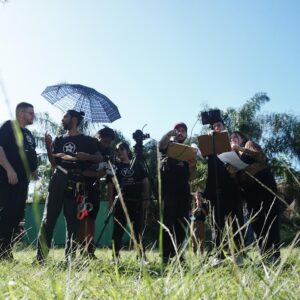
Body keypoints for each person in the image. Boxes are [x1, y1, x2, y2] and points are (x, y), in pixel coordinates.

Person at [36, 110, 101, 263]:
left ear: (74, 119)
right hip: (58, 179)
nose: (62, 119)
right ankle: (40, 258)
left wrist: (87, 157)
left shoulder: (87, 140)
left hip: (77, 182)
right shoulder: (59, 139)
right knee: (48, 219)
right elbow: (53, 164)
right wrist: (48, 146)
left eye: (65, 116)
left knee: (73, 223)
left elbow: (99, 158)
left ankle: (70, 259)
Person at [229, 131, 281, 262]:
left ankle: (275, 256)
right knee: (257, 223)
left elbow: (262, 157)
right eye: (231, 138)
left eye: (236, 136)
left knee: (269, 219)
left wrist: (241, 149)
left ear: (242, 139)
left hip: (264, 186)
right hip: (249, 192)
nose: (234, 138)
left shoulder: (248, 144)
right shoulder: (232, 156)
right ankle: (265, 256)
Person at [0, 102, 38, 261]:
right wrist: (9, 169)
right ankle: (2, 252)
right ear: (21, 113)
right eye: (31, 113)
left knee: (16, 217)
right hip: (8, 178)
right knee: (6, 214)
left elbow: (31, 155)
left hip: (23, 182)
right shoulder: (9, 126)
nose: (33, 116)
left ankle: (6, 252)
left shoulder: (29, 134)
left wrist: (34, 172)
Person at [202, 120, 243, 263]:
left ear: (225, 128)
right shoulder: (210, 144)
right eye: (214, 126)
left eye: (219, 125)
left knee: (235, 223)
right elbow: (203, 153)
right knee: (216, 225)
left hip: (233, 190)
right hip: (215, 192)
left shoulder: (232, 144)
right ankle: (218, 256)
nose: (216, 128)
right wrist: (209, 138)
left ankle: (238, 255)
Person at [159, 122, 197, 264]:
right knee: (168, 222)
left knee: (182, 223)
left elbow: (192, 176)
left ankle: (179, 255)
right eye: (178, 130)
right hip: (169, 190)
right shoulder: (168, 144)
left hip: (184, 191)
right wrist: (169, 134)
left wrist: (192, 165)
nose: (180, 133)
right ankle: (165, 256)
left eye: (183, 131)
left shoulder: (189, 150)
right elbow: (161, 145)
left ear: (186, 134)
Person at [107, 142, 150, 261]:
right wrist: (110, 202)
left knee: (138, 231)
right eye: (117, 150)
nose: (119, 152)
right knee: (118, 230)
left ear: (127, 150)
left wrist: (146, 198)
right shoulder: (115, 166)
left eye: (121, 149)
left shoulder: (138, 165)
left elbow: (145, 181)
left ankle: (141, 256)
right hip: (120, 202)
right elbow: (110, 185)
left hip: (136, 202)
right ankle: (115, 257)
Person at [78, 126, 116, 258]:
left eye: (109, 142)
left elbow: (109, 175)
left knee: (91, 219)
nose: (107, 144)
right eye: (104, 141)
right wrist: (97, 174)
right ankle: (81, 248)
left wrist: (102, 174)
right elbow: (82, 170)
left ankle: (90, 249)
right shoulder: (88, 147)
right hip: (81, 187)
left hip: (95, 189)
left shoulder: (109, 153)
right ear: (98, 138)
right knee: (83, 218)